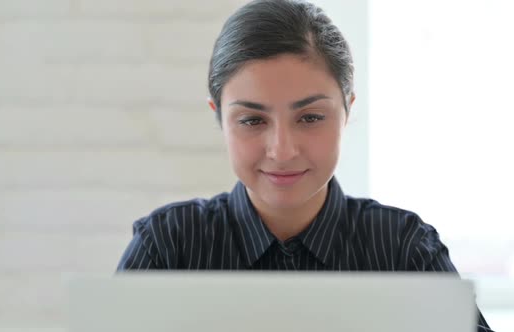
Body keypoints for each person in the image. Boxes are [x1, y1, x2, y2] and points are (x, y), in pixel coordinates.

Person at [116, 0, 493, 331]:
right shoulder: (168, 246)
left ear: (347, 111)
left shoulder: (403, 248)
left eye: (310, 118)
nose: (282, 150)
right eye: (252, 120)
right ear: (220, 119)